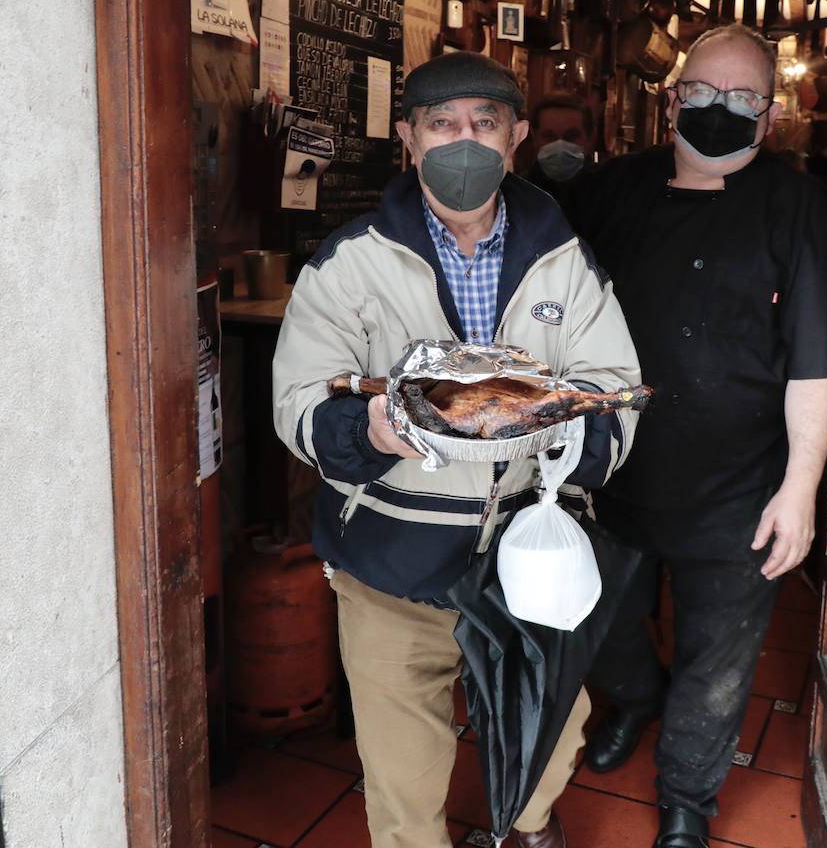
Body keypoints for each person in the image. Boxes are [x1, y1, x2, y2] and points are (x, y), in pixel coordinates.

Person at [272, 51, 644, 848]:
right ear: (408, 138)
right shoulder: (350, 262)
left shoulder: (565, 261)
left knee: (550, 734)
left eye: (484, 124)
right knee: (403, 786)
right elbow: (298, 401)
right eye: (442, 124)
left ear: (514, 138)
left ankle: (531, 825)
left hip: (529, 563)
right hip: (391, 567)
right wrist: (368, 432)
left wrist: (564, 426)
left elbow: (615, 390)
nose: (463, 142)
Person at [572, 25, 827, 848]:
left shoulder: (800, 207)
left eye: (741, 99)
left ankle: (688, 793)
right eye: (701, 92)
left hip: (739, 483)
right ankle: (636, 695)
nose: (718, 110)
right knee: (597, 624)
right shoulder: (606, 191)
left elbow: (815, 363)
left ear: (768, 117)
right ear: (670, 98)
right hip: (608, 470)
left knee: (720, 659)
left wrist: (800, 489)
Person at [523, 93, 597, 207]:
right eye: (549, 136)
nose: (560, 145)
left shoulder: (608, 192)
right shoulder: (515, 195)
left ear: (590, 138)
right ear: (535, 139)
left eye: (571, 136)